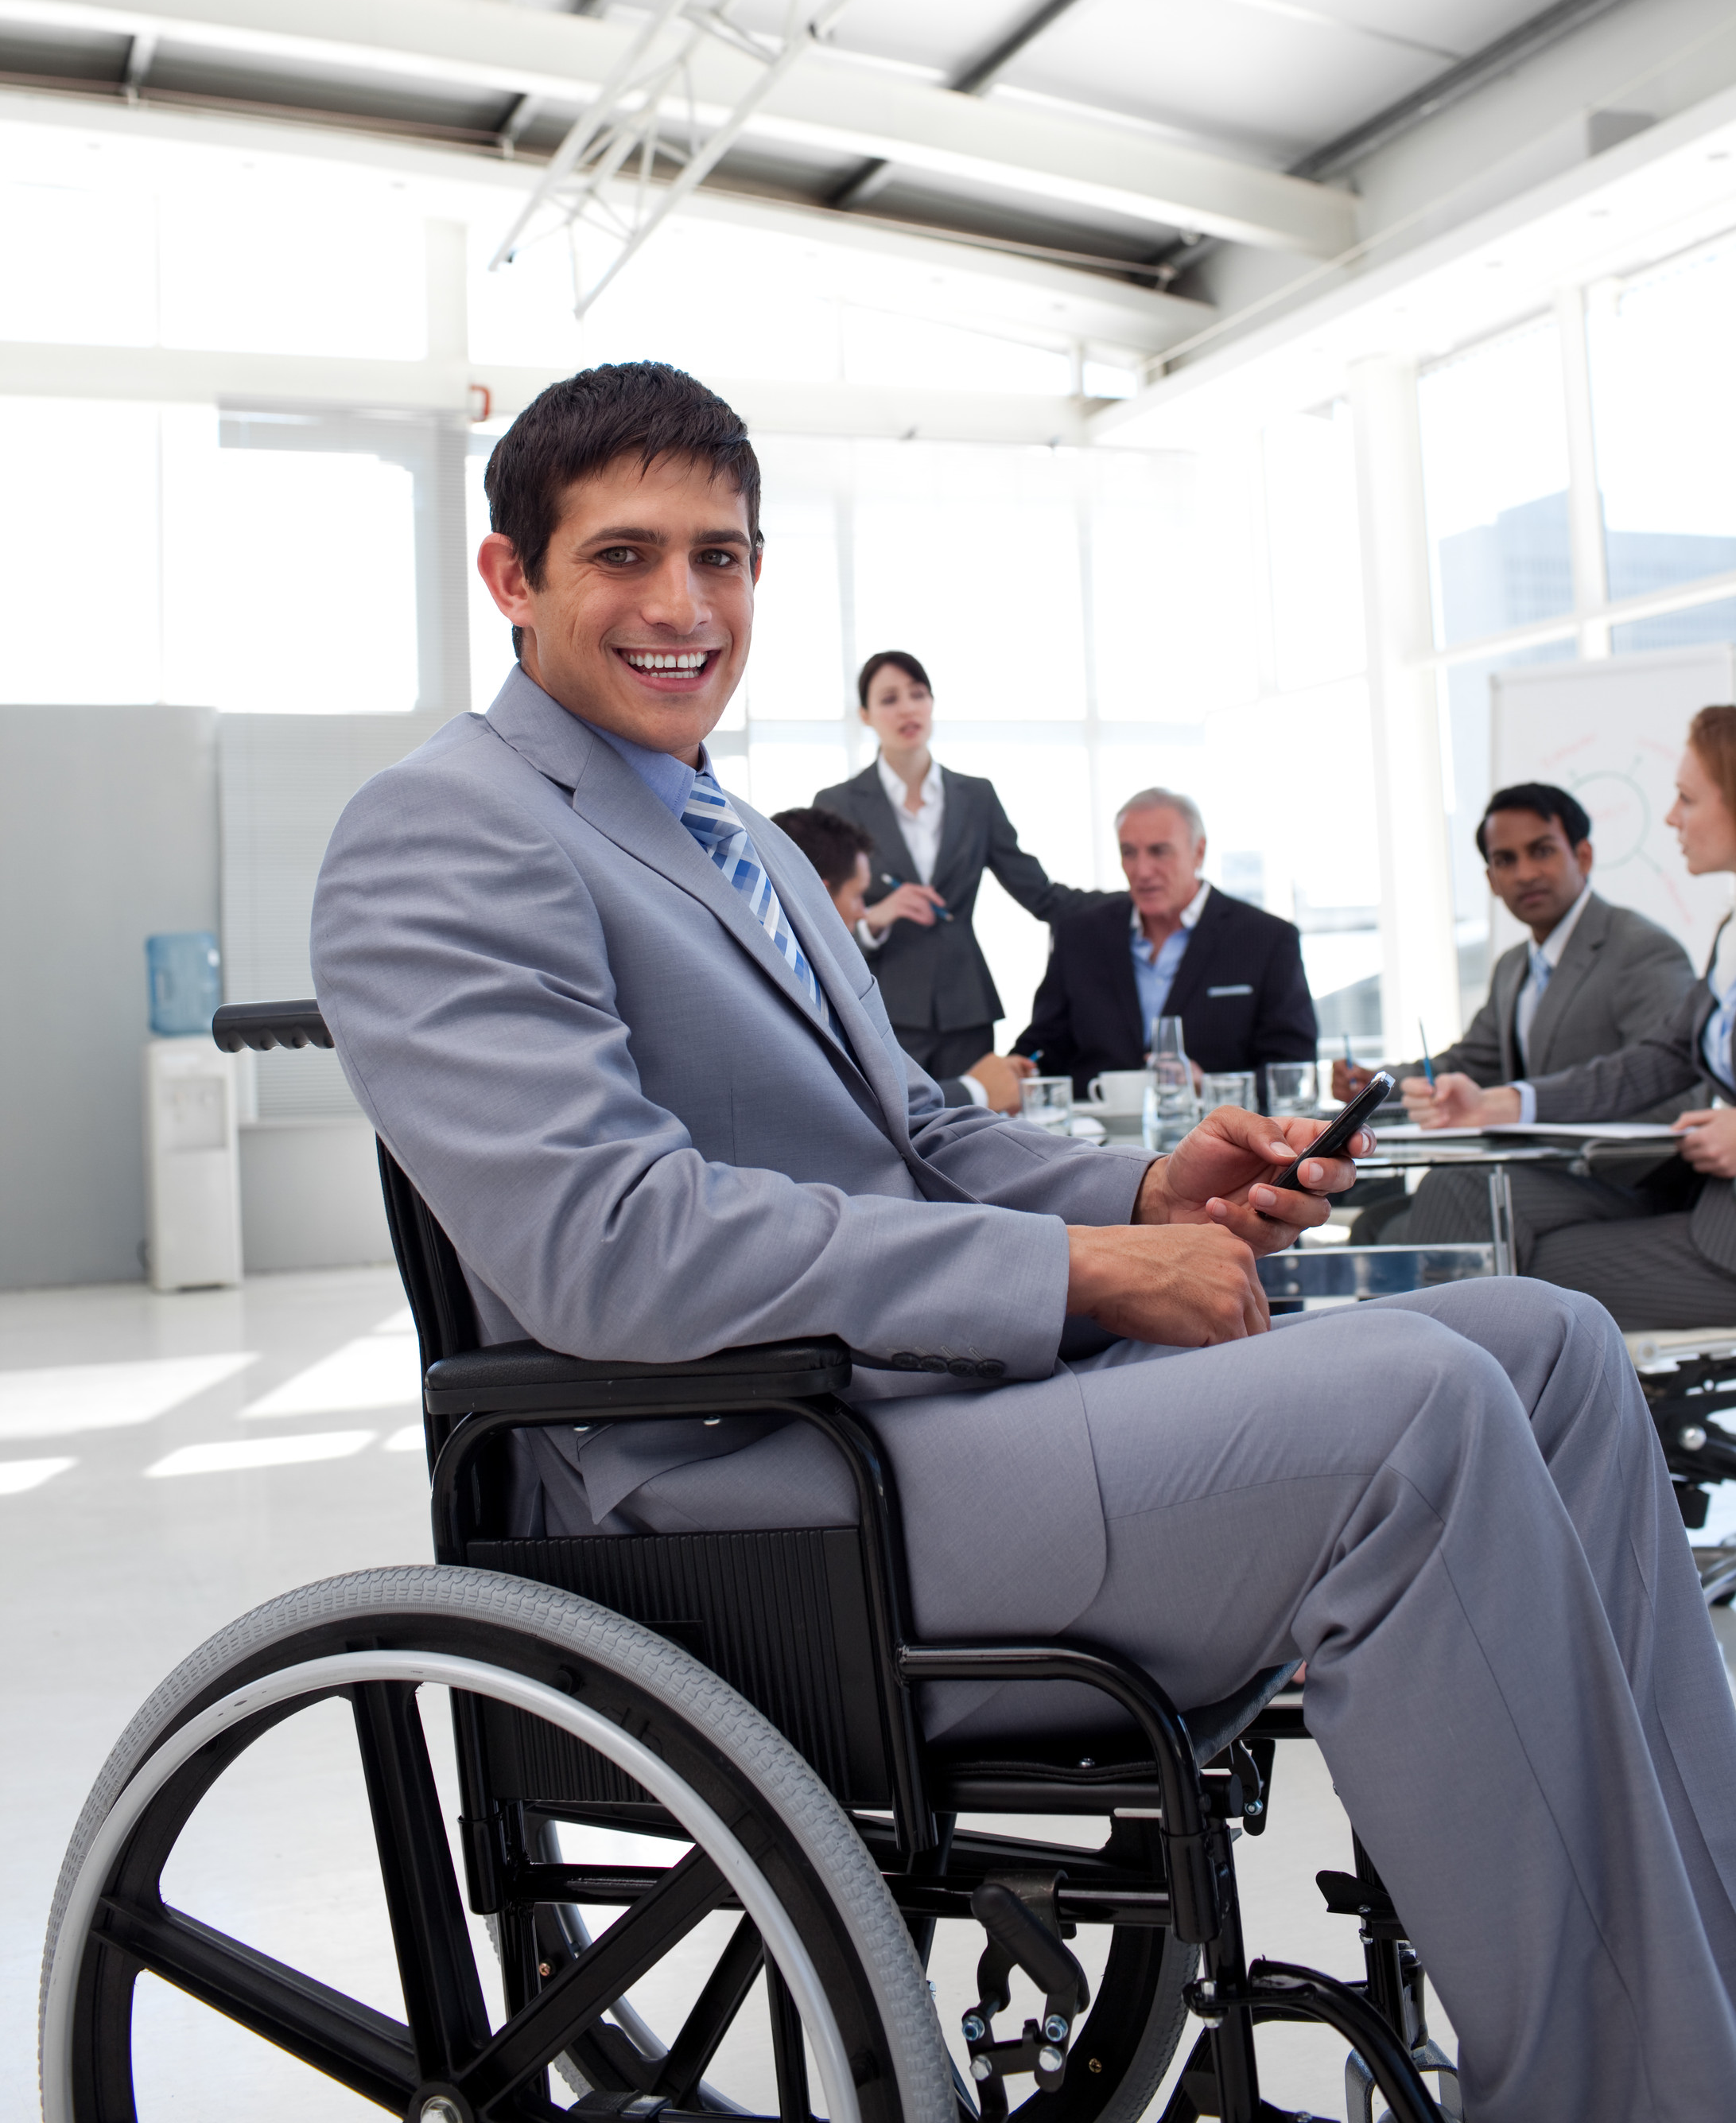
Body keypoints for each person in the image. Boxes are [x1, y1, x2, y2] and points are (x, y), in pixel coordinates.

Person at [312, 362, 1736, 2123]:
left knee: (1549, 1347)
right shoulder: (443, 831)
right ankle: (1625, 2096)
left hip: (908, 1418)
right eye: (624, 557)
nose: (683, 607)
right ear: (509, 578)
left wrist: (1143, 1196)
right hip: (742, 1487)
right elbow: (614, 1247)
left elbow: (912, 1134)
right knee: (1417, 1418)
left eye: (721, 557)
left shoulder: (729, 833)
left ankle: (1707, 2006)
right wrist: (1074, 1277)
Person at [1403, 708, 1736, 1335]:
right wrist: (1498, 1105)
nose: (1669, 817)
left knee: (1510, 1270)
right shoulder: (1731, 934)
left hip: (1702, 1224)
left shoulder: (1639, 946)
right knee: (1506, 1262)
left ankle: (1451, 1415)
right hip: (1713, 1217)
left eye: (1687, 799)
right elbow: (1654, 1060)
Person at [814, 653, 1097, 1084]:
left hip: (967, 1006)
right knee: (894, 1133)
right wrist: (878, 916)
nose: (908, 708)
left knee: (977, 1132)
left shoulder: (976, 797)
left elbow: (1038, 893)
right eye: (890, 699)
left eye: (918, 694)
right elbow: (817, 922)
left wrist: (1133, 904)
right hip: (883, 1004)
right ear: (866, 716)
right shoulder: (838, 804)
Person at [1331, 781, 1696, 1108]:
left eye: (1542, 851)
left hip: (1616, 1174)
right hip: (1531, 1163)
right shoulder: (1513, 967)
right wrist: (1376, 1083)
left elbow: (1675, 1093)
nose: (1524, 874)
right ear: (1491, 880)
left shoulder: (1642, 950)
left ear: (1583, 856)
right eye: (1505, 861)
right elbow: (1469, 1065)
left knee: (1444, 1186)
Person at [1014, 787, 1317, 1098]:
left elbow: (1292, 1069)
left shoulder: (1266, 938)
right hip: (1095, 1138)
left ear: (1198, 853)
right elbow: (1041, 1049)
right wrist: (1012, 1071)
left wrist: (1211, 1089)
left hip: (1217, 1137)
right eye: (1129, 852)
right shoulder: (1080, 935)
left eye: (1159, 851)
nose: (1142, 871)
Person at [771, 804, 1031, 1114]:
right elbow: (855, 1111)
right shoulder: (798, 990)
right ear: (820, 893)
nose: (862, 912)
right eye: (858, 896)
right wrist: (976, 1091)